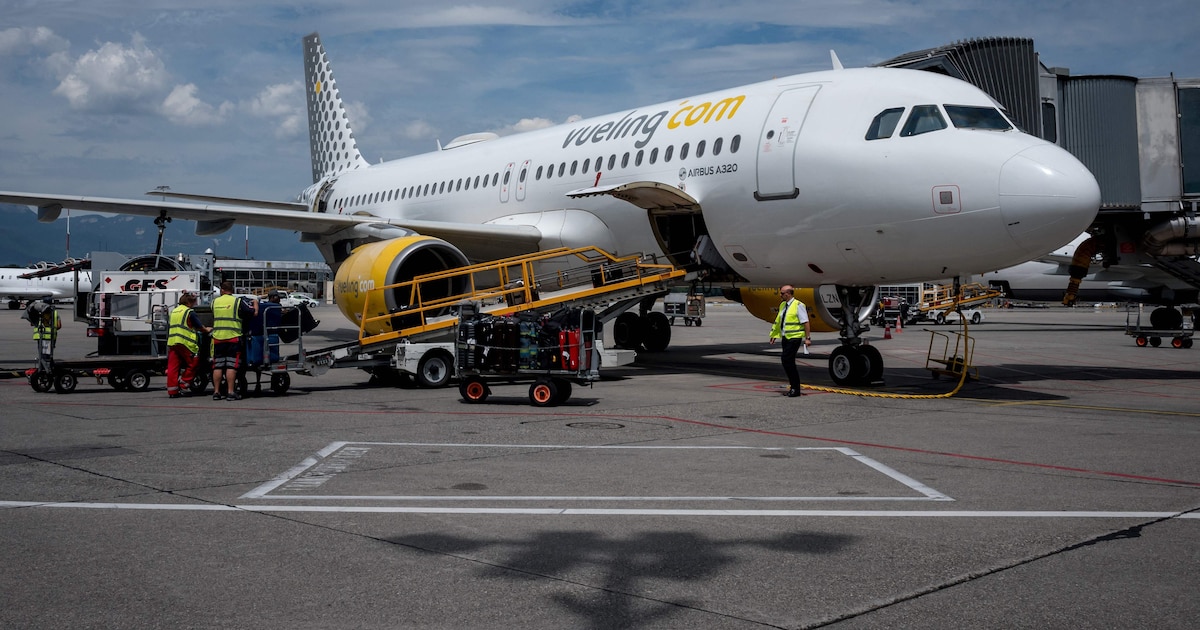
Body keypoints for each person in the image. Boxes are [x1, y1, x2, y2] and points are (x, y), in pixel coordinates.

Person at [210, 280, 257, 401]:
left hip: (217, 338)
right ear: (232, 290)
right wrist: (255, 304)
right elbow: (252, 313)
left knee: (218, 366)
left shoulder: (214, 302)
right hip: (233, 338)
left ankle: (216, 392)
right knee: (231, 366)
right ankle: (231, 392)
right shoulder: (237, 301)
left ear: (222, 290)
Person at [166, 292, 211, 398]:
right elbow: (200, 327)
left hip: (173, 342)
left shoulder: (174, 311)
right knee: (194, 362)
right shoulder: (189, 312)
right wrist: (207, 329)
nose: (195, 304)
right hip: (185, 342)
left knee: (173, 367)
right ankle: (183, 383)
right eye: (194, 302)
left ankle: (173, 391)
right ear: (189, 302)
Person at [768, 285, 810, 397]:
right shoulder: (783, 305)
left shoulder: (798, 305)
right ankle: (794, 387)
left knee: (786, 360)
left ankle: (795, 388)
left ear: (788, 293)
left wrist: (807, 338)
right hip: (786, 337)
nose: (780, 295)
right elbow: (779, 321)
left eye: (782, 293)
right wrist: (774, 335)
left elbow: (805, 322)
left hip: (795, 338)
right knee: (788, 362)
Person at [247, 290, 285, 392]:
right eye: (277, 297)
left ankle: (258, 383)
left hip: (262, 335)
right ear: (272, 297)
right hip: (269, 335)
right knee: (268, 358)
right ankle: (262, 382)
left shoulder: (264, 306)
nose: (279, 299)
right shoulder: (274, 307)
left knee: (260, 359)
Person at [32, 299, 61, 364]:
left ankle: (42, 366)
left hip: (40, 335)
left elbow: (32, 323)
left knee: (41, 353)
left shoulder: (38, 312)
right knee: (48, 353)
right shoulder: (55, 312)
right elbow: (59, 326)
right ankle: (49, 366)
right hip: (50, 335)